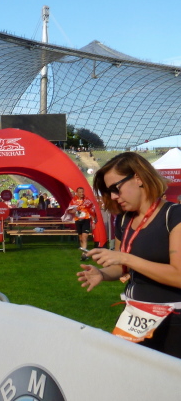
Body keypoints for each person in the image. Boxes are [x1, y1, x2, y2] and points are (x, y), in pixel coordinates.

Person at [78, 152, 181, 359]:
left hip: (173, 322)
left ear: (139, 178)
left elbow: (178, 276)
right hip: (136, 317)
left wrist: (126, 258)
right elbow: (121, 266)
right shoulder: (124, 220)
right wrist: (102, 274)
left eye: (116, 188)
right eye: (109, 192)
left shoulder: (174, 215)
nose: (114, 197)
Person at [67, 187, 97, 260]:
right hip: (78, 220)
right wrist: (73, 211)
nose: (81, 193)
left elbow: (92, 211)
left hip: (86, 219)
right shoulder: (74, 200)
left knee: (84, 237)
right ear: (77, 193)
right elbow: (69, 210)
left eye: (82, 192)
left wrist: (93, 222)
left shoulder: (87, 200)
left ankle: (84, 255)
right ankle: (84, 253)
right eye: (80, 192)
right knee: (81, 238)